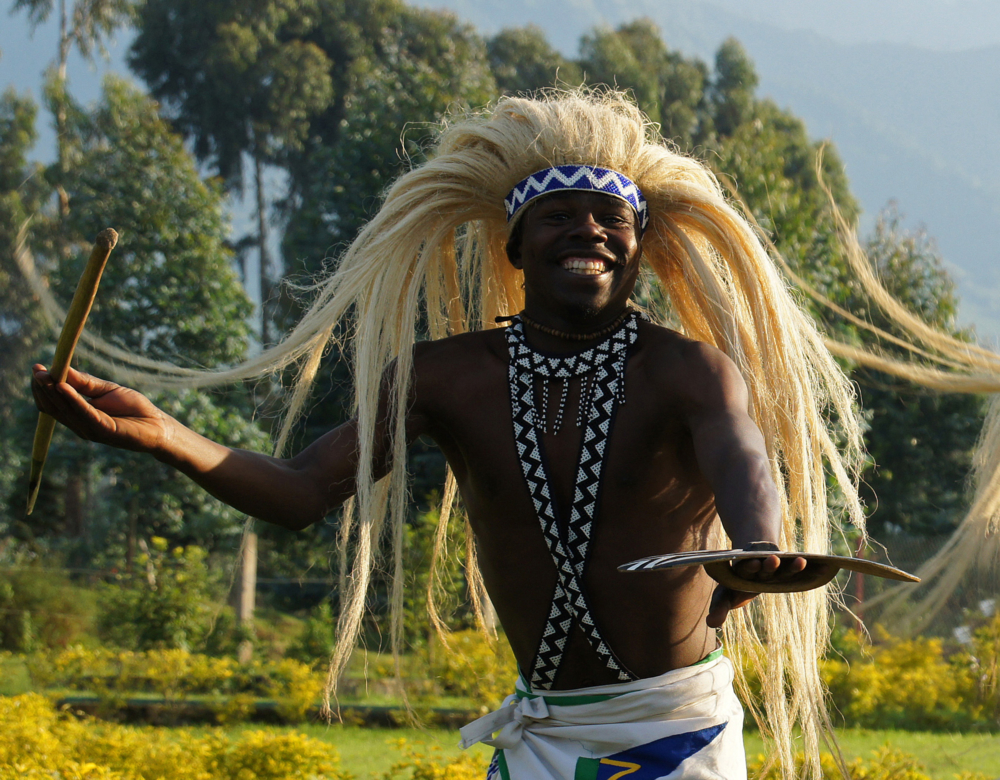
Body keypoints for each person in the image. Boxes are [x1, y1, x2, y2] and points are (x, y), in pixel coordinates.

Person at [32, 91, 865, 780]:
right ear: (514, 243)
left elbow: (742, 458)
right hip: (542, 735)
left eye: (612, 217)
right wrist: (162, 435)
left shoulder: (688, 371)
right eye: (559, 216)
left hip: (672, 726)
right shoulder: (444, 377)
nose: (588, 231)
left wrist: (761, 542)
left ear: (640, 244)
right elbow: (299, 492)